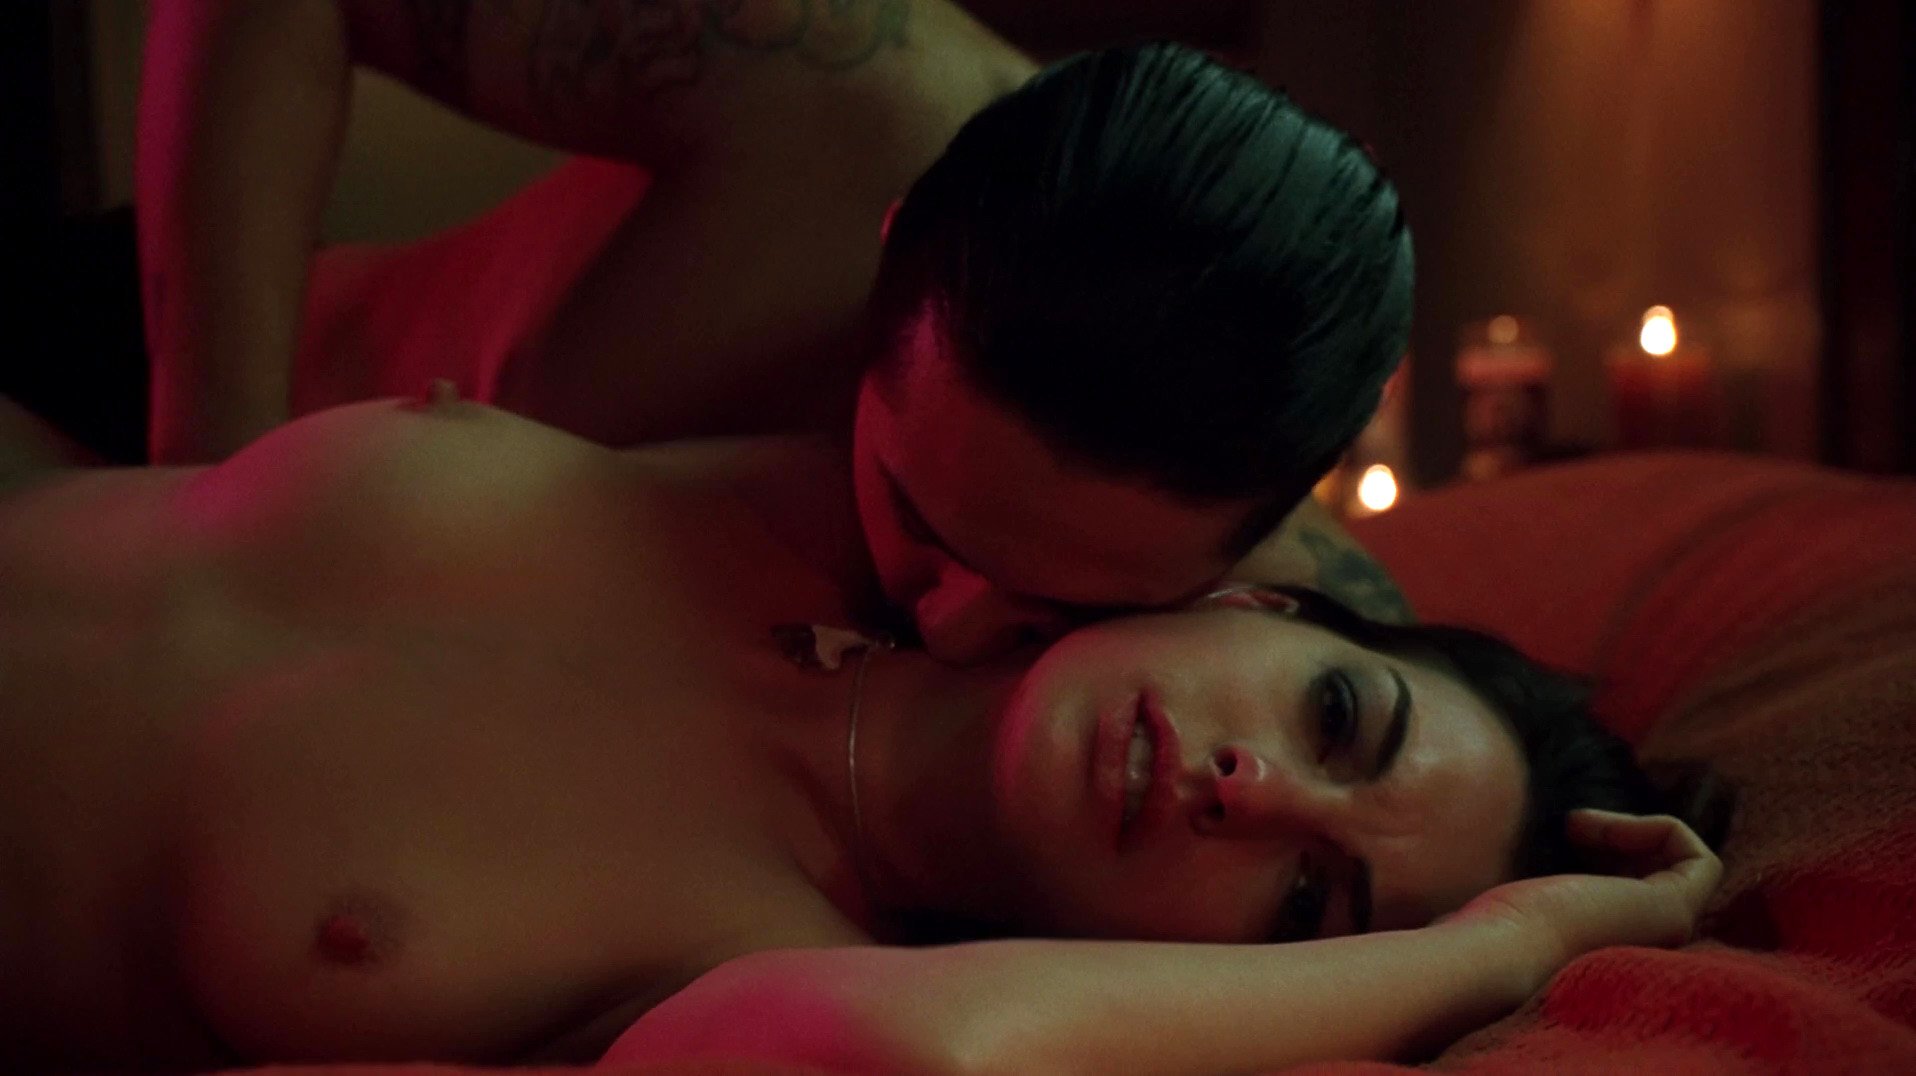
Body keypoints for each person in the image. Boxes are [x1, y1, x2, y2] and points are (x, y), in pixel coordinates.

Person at [0, 395, 1719, 1071]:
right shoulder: (849, 455)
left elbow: (920, 1059)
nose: (1245, 792)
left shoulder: (747, 970)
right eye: (1335, 719)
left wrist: (1513, 945)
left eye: (1302, 906)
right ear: (1264, 598)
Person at [138, 2, 1417, 662]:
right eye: (918, 520)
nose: (953, 631)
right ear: (888, 242)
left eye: (1060, 617)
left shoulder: (1300, 625)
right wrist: (199, 491)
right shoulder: (843, 90)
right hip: (130, 412)